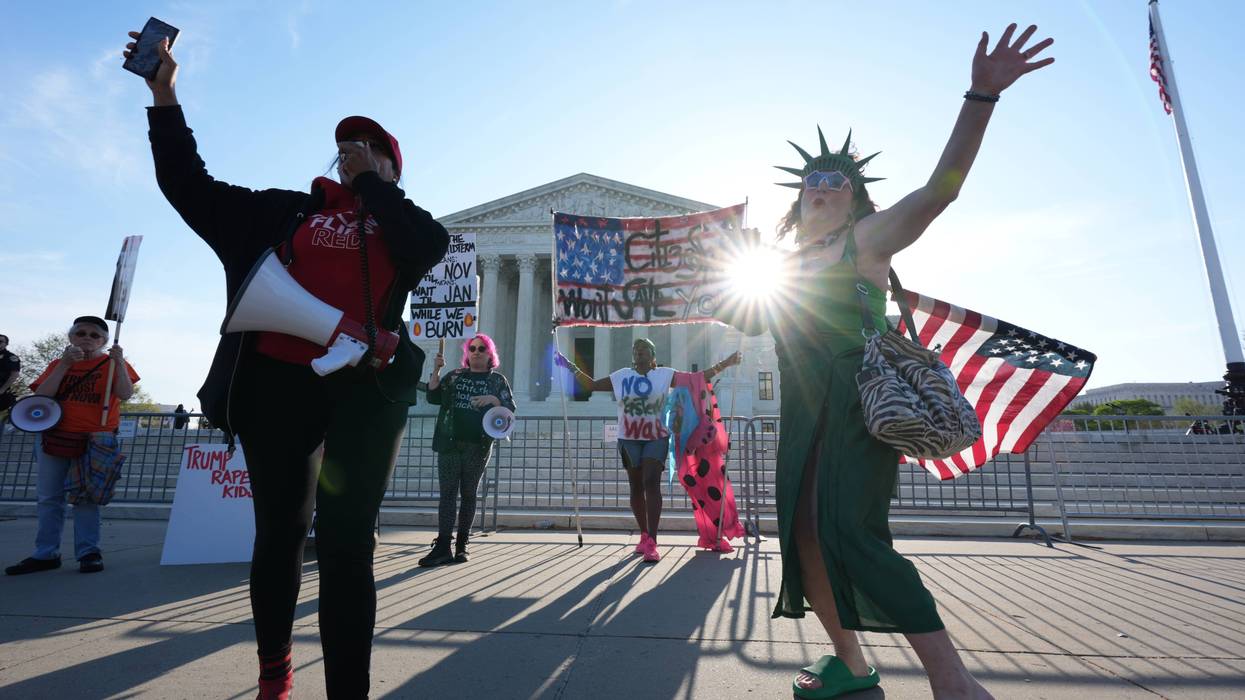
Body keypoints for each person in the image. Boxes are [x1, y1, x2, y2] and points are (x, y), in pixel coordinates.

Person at [713, 23, 1053, 700]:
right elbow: (745, 316)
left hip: (854, 401)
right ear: (797, 198)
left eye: (835, 180)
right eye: (811, 181)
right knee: (803, 535)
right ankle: (850, 661)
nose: (821, 186)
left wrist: (980, 97)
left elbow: (939, 191)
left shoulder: (865, 241)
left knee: (852, 532)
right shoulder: (780, 266)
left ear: (856, 197)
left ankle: (953, 681)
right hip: (802, 412)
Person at [126, 32, 449, 700]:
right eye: (347, 144)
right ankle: (274, 669)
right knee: (280, 534)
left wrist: (372, 187)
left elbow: (428, 245)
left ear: (393, 168)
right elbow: (189, 185)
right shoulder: (281, 211)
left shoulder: (404, 222)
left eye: (372, 147)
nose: (355, 150)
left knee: (348, 543)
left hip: (364, 390)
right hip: (276, 383)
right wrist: (164, 99)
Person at [556, 338, 740, 562]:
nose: (639, 352)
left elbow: (697, 378)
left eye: (644, 349)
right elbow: (592, 385)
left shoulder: (664, 375)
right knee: (636, 487)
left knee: (651, 482)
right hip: (629, 439)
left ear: (653, 356)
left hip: (656, 438)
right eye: (636, 349)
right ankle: (643, 535)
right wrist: (569, 366)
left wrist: (726, 363)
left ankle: (652, 541)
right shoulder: (622, 375)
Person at [5, 316, 138, 576]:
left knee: (86, 498)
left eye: (94, 335)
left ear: (104, 341)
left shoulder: (113, 364)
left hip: (94, 438)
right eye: (81, 333)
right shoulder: (58, 364)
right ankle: (46, 553)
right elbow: (42, 395)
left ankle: (89, 552)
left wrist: (120, 362)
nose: (87, 338)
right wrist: (65, 365)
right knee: (49, 498)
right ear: (71, 337)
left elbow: (125, 393)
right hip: (55, 436)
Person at [420, 334, 516, 567]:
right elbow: (433, 397)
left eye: (482, 349)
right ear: (467, 353)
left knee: (469, 493)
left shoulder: (497, 381)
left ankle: (462, 546)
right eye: (472, 348)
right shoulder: (455, 376)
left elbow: (509, 410)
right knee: (447, 494)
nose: (476, 352)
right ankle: (443, 546)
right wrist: (436, 369)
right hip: (449, 443)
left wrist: (493, 400)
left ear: (490, 354)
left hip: (478, 445)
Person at [0, 334, 19, 417]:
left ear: (6, 344)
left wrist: (2, 390)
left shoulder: (10, 357)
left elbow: (14, 374)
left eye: (0, 341)